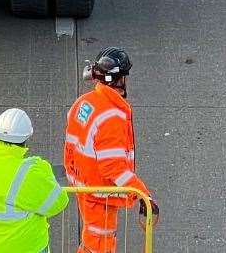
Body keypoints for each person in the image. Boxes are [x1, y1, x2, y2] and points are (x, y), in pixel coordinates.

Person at [64, 48, 158, 253]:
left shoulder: (84, 103)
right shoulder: (111, 116)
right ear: (119, 80)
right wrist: (142, 194)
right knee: (100, 244)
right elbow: (113, 167)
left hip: (84, 186)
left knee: (90, 242)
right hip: (100, 193)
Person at [0, 108, 68, 253]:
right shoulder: (30, 171)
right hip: (24, 247)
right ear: (26, 138)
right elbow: (58, 203)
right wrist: (45, 172)